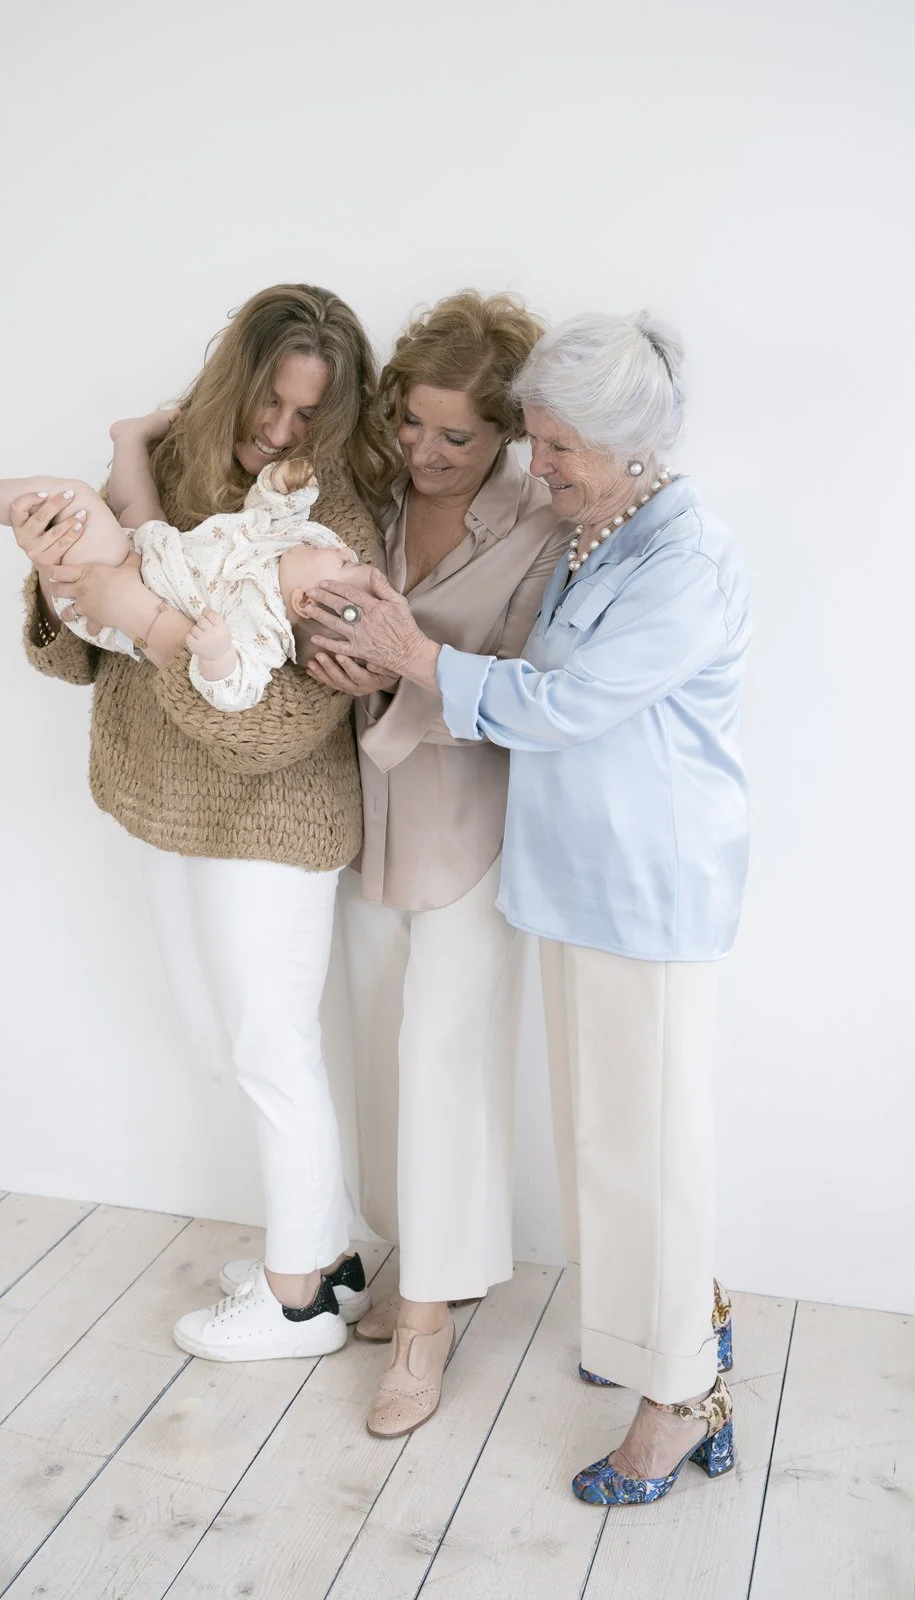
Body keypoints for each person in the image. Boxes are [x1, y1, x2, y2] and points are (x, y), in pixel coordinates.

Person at [302, 310, 751, 1500]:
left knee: (651, 1147)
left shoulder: (681, 563)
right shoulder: (597, 533)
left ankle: (678, 1398)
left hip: (648, 888)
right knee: (605, 1141)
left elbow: (560, 705)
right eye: (535, 439)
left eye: (555, 446)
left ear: (630, 443)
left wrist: (413, 657)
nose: (533, 461)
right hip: (571, 881)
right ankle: (669, 1330)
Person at [9, 283, 394, 1361]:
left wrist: (149, 620)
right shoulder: (168, 472)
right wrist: (56, 577)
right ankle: (329, 1254)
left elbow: (271, 729)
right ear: (233, 377)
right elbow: (71, 656)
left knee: (269, 1048)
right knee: (219, 1045)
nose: (279, 431)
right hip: (161, 806)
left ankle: (295, 1299)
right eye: (268, 401)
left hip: (271, 820)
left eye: (308, 413)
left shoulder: (331, 524)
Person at [301, 291, 569, 1438]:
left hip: (470, 823)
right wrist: (327, 659)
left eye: (455, 434)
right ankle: (418, 1253)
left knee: (441, 1056)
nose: (425, 450)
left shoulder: (539, 526)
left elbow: (522, 691)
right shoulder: (370, 497)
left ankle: (425, 1322)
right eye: (411, 422)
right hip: (362, 817)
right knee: (371, 1044)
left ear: (504, 429)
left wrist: (401, 675)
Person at [0, 421, 371, 708]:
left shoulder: (263, 627)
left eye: (345, 566)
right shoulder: (285, 544)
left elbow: (238, 690)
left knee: (77, 501)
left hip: (118, 596)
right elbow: (268, 510)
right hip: (154, 550)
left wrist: (218, 654)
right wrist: (287, 486)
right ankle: (129, 439)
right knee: (135, 502)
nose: (346, 551)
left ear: (304, 601)